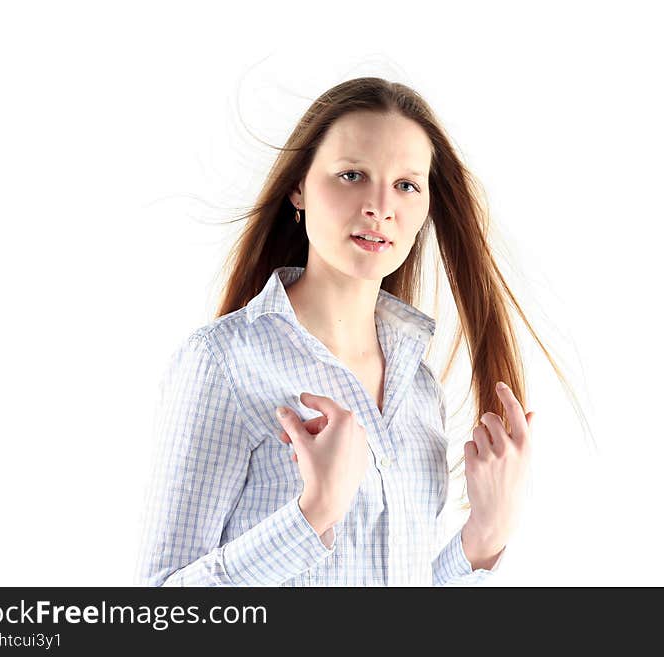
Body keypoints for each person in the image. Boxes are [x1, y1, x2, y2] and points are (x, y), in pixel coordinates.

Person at [135, 77, 575, 586]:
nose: (380, 206)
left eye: (407, 185)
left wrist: (483, 538)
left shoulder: (419, 390)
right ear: (299, 187)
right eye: (352, 175)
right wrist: (311, 515)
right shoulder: (225, 363)